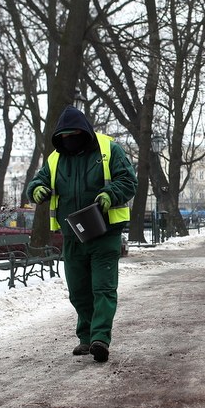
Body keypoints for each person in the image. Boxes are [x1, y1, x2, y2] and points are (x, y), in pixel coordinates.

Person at [27, 105, 137, 363]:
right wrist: (37, 190)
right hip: (73, 235)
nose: (69, 139)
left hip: (105, 233)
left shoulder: (110, 150)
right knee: (78, 291)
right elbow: (37, 181)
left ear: (85, 131)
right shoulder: (56, 158)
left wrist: (110, 194)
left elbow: (129, 180)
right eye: (64, 136)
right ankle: (86, 337)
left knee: (103, 288)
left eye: (74, 134)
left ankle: (100, 338)